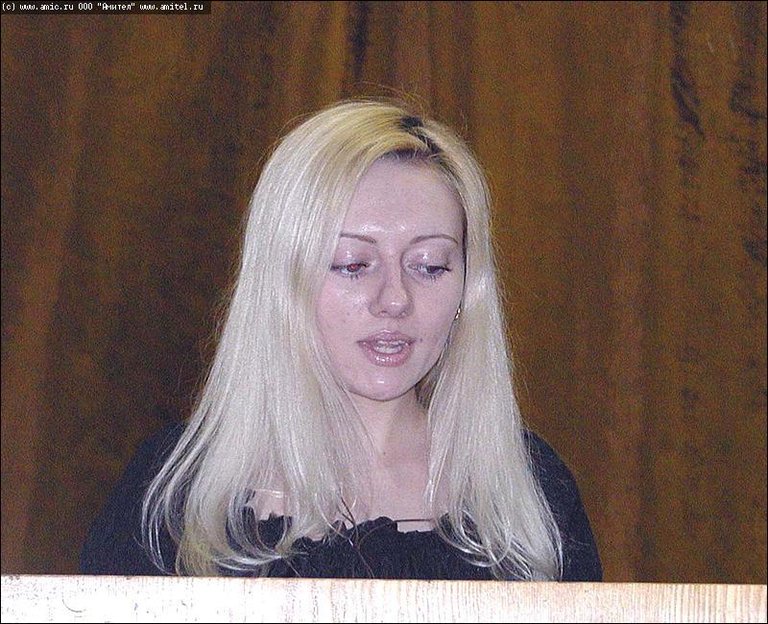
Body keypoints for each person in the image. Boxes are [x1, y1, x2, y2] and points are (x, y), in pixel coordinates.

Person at [80, 99, 602, 581]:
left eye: (429, 265)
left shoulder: (529, 493)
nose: (394, 299)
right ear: (283, 280)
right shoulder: (175, 494)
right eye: (352, 264)